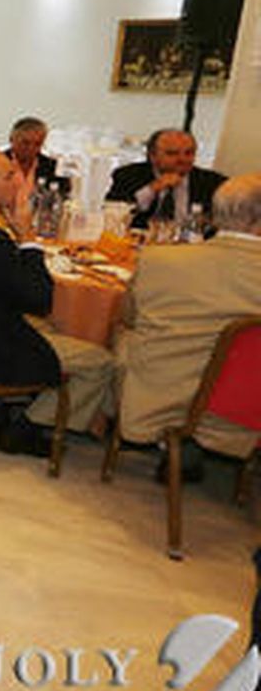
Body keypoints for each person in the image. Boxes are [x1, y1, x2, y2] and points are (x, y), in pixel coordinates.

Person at [0, 148, 118, 451]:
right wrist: (27, 237)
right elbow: (39, 299)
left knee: (52, 330)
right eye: (9, 176)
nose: (19, 182)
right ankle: (28, 426)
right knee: (100, 361)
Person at [115, 173, 261, 480]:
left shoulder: (160, 260)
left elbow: (128, 318)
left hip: (160, 399)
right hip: (244, 408)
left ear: (215, 212)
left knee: (122, 340)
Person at [105, 128, 227, 230]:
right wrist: (151, 189)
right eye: (172, 153)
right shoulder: (128, 175)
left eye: (189, 153)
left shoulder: (213, 182)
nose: (182, 159)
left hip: (191, 249)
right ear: (152, 156)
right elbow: (114, 212)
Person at [4, 116, 70, 208]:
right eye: (25, 143)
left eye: (37, 144)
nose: (31, 148)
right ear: (11, 139)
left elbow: (63, 197)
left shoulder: (53, 166)